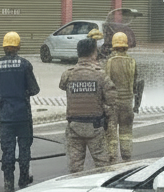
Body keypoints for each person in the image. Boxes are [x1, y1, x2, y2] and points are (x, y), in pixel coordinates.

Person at [0, 30, 40, 192]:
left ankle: (8, 182)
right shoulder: (24, 64)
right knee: (24, 148)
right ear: (18, 46)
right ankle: (23, 179)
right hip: (23, 114)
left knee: (7, 150)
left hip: (5, 116)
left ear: (4, 47)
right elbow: (34, 89)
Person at [59, 37, 115, 173]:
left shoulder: (68, 74)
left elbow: (62, 86)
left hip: (74, 126)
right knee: (102, 166)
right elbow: (112, 100)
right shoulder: (100, 75)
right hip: (95, 127)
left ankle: (76, 185)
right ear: (94, 53)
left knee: (75, 167)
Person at [103, 32, 138, 162]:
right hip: (127, 103)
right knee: (126, 133)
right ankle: (127, 157)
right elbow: (136, 84)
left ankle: (112, 158)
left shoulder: (109, 62)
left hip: (113, 105)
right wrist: (136, 104)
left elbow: (105, 84)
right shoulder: (132, 62)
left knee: (111, 135)